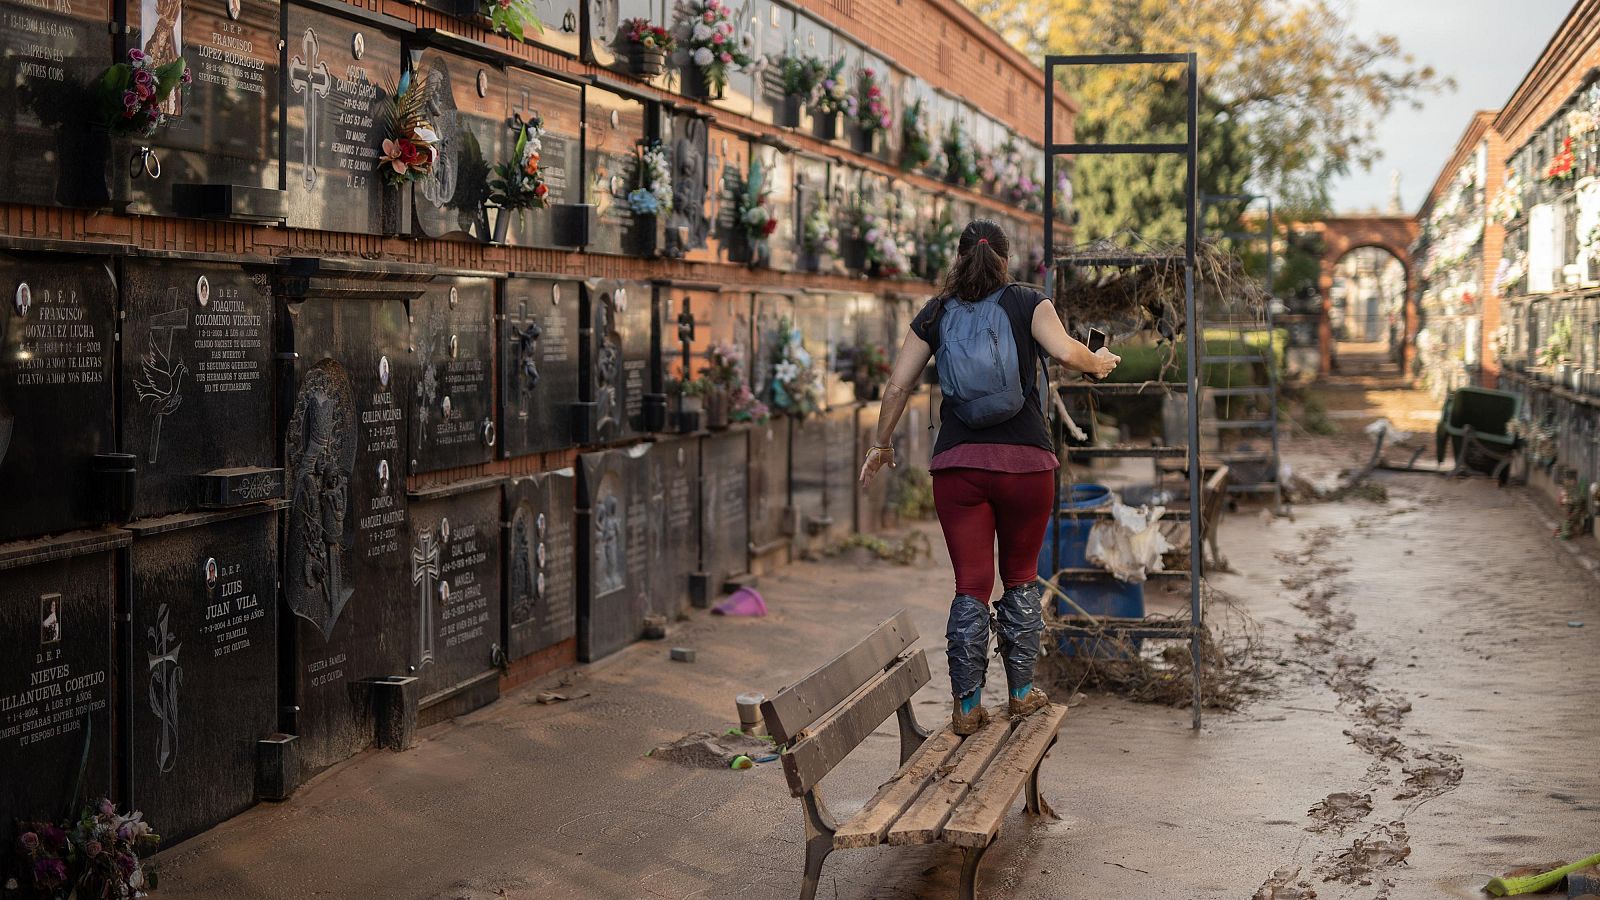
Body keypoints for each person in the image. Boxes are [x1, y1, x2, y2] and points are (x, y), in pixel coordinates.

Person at [858, 220, 1119, 735]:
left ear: (958, 259)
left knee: (970, 586)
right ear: (1005, 259)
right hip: (1027, 466)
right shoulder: (1027, 301)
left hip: (959, 468)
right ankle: (1021, 694)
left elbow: (896, 386)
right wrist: (1099, 360)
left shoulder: (935, 313)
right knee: (1020, 577)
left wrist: (881, 444)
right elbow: (1068, 353)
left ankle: (967, 706)